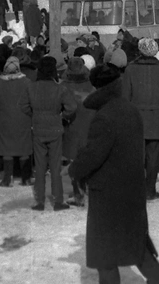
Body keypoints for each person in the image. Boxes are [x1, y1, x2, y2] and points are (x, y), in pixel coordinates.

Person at [69, 63, 159, 284]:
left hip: (108, 195)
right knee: (137, 248)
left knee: (105, 256)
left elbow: (94, 154)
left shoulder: (104, 116)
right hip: (132, 190)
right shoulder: (130, 110)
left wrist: (75, 169)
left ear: (98, 88)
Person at [19, 56, 76, 211]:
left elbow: (23, 106)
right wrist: (61, 116)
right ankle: (58, 201)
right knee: (55, 166)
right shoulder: (60, 88)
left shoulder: (31, 87)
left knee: (40, 167)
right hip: (55, 128)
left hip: (38, 128)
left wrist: (35, 114)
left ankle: (40, 201)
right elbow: (71, 107)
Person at [122, 38, 159, 201]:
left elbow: (125, 97)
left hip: (135, 119)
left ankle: (135, 188)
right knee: (153, 157)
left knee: (136, 156)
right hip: (156, 118)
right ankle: (150, 190)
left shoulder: (130, 70)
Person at [0, 56, 33, 187]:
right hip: (23, 119)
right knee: (24, 147)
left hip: (4, 120)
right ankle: (26, 178)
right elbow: (31, 103)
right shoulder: (26, 82)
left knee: (6, 149)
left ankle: (7, 179)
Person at [61, 56, 95, 206]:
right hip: (90, 126)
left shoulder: (64, 86)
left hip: (72, 126)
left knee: (74, 161)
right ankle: (89, 190)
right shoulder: (92, 84)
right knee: (88, 159)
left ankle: (78, 194)